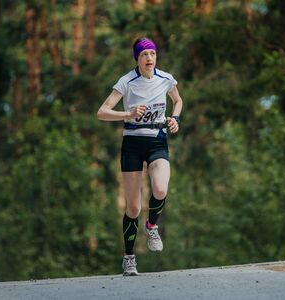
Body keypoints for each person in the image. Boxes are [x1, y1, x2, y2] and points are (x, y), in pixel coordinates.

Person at [97, 37, 183, 276]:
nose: (149, 58)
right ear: (137, 58)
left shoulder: (166, 79)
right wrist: (129, 113)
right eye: (144, 54)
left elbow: (178, 100)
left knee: (160, 189)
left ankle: (152, 225)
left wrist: (175, 119)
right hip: (132, 144)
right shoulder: (127, 82)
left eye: (153, 53)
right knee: (133, 207)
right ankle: (129, 258)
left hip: (157, 142)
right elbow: (101, 112)